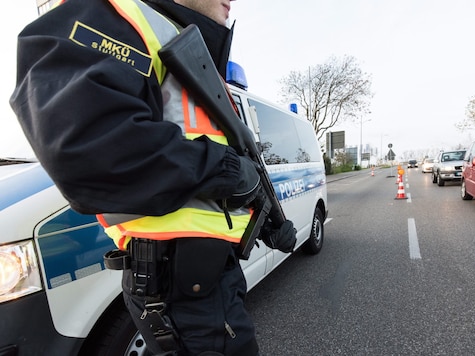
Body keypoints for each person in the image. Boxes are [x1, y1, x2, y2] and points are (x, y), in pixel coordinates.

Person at [10, 0, 295, 355]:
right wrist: (228, 170)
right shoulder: (114, 16)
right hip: (181, 281)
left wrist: (267, 217)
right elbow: (88, 147)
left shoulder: (180, 41)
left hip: (200, 278)